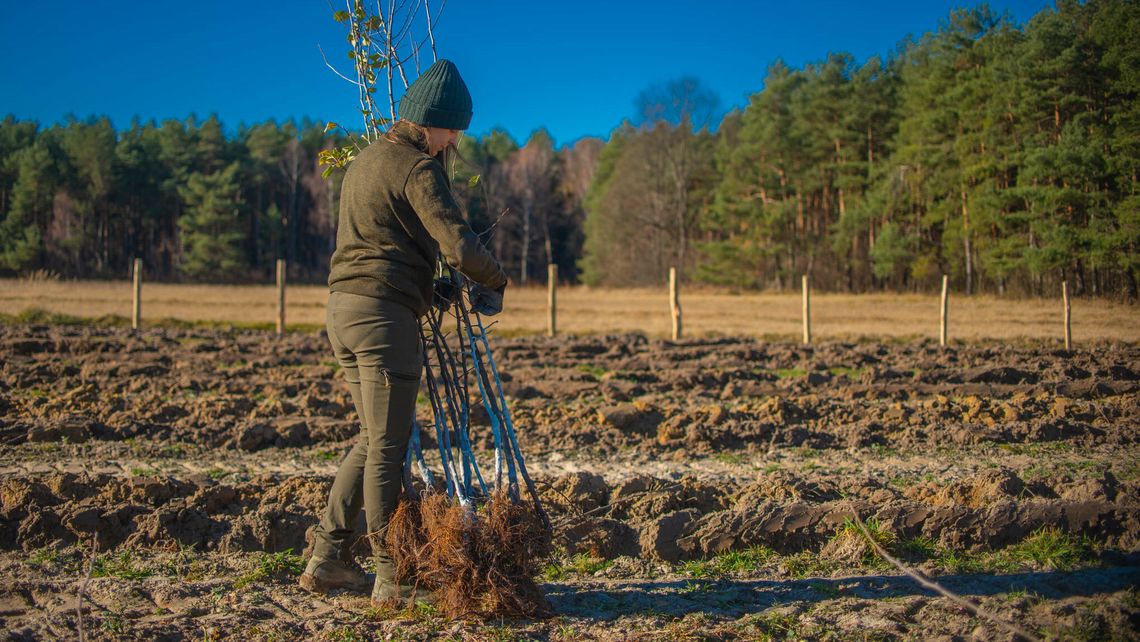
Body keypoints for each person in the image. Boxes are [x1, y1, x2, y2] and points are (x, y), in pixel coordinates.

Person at [299, 59, 507, 604]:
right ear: (434, 122)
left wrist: (426, 288)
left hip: (343, 312)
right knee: (389, 448)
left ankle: (328, 559)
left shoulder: (367, 161)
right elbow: (458, 245)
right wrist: (495, 277)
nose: (455, 140)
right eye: (454, 128)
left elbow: (383, 242)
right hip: (382, 321)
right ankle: (392, 578)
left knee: (371, 441)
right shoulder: (417, 167)